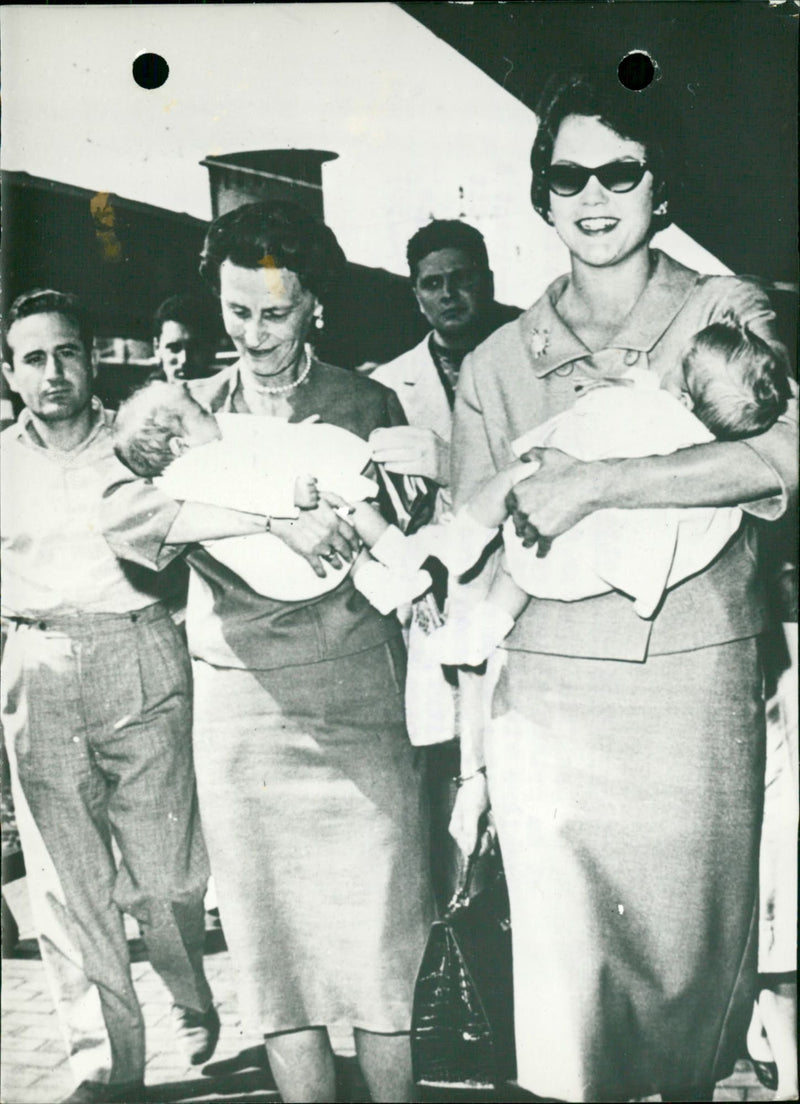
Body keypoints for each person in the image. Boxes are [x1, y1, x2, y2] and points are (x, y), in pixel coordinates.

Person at [447, 72, 797, 1103]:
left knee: (693, 991)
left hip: (692, 694)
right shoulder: (497, 361)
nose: (593, 195)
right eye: (567, 175)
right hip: (548, 712)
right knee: (571, 1006)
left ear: (660, 187)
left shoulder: (720, 309)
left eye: (620, 171)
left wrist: (599, 484)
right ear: (541, 195)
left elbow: (781, 451)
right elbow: (473, 552)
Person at [102, 201, 434, 1104]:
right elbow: (131, 523)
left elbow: (411, 539)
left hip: (360, 709)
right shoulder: (183, 409)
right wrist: (275, 519)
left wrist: (418, 490)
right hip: (243, 719)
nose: (254, 334)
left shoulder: (367, 402)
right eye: (237, 311)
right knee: (275, 966)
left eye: (276, 313)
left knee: (381, 950)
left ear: (315, 305)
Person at [0, 290, 219, 1104]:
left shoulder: (139, 445)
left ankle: (192, 991)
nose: (52, 372)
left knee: (165, 876)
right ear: (10, 372)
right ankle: (108, 1064)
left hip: (140, 652)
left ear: (90, 359)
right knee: (67, 881)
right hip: (38, 660)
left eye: (66, 353)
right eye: (33, 358)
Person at [426, 318, 790, 664]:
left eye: (673, 371)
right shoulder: (707, 442)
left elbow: (598, 416)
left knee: (514, 480)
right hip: (592, 568)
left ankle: (463, 536)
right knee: (515, 572)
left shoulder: (647, 412)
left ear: (682, 399)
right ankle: (480, 635)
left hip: (556, 529)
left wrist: (609, 396)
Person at [370, 220, 520, 908]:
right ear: (415, 295)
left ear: (487, 280)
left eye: (464, 278)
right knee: (449, 788)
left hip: (519, 595)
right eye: (434, 283)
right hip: (434, 617)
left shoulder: (526, 356)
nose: (451, 294)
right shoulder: (388, 384)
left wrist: (448, 462)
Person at [113, 378, 432, 611]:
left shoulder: (186, 467)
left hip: (287, 574)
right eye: (200, 412)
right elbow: (249, 489)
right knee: (353, 507)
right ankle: (404, 556)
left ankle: (381, 587)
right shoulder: (198, 467)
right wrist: (290, 493)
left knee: (346, 524)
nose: (210, 412)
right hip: (283, 566)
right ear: (180, 445)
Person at [151, 293, 218, 382]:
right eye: (174, 348)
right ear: (157, 348)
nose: (184, 360)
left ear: (211, 350)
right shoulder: (145, 396)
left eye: (195, 348)